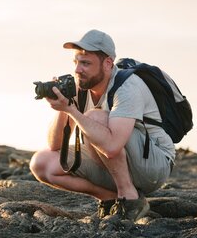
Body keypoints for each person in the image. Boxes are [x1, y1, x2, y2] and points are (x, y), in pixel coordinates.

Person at [30, 29, 175, 221]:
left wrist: (73, 111)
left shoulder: (127, 86)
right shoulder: (80, 85)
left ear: (107, 64)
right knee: (41, 162)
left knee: (95, 118)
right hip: (113, 160)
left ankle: (130, 198)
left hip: (153, 166)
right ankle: (109, 198)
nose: (77, 70)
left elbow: (112, 146)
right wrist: (63, 108)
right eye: (76, 62)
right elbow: (55, 146)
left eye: (86, 63)